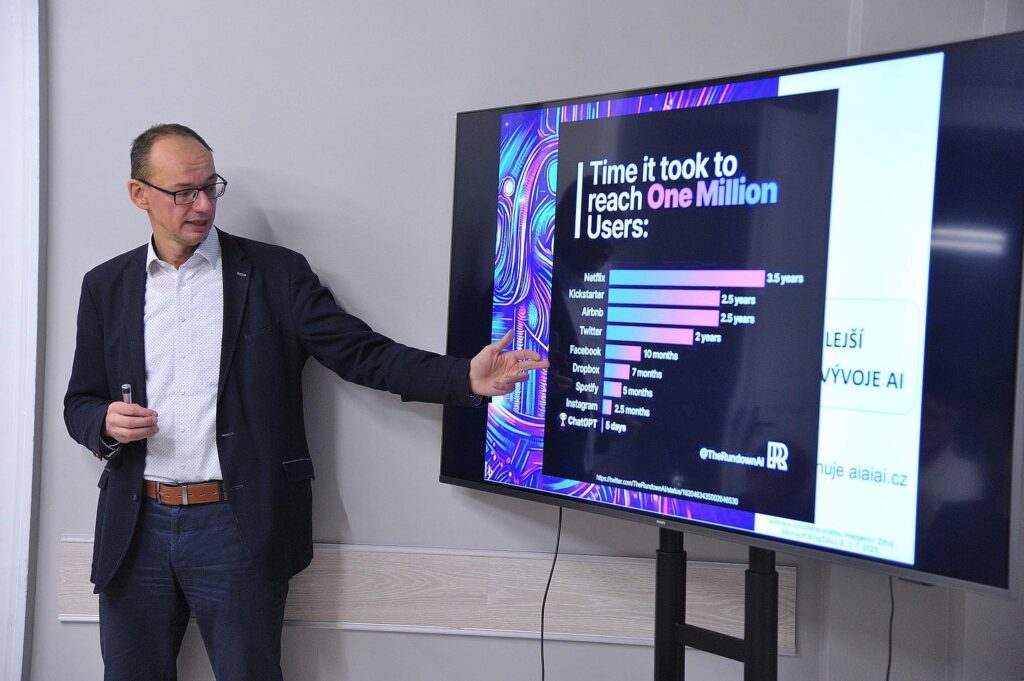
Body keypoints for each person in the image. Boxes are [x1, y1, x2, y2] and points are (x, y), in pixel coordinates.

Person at [63, 123, 547, 681]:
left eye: (210, 187)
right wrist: (103, 421)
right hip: (135, 527)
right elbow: (80, 402)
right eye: (183, 192)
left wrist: (461, 376)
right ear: (139, 194)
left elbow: (363, 354)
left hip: (237, 526)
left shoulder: (276, 274)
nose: (203, 205)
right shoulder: (106, 286)